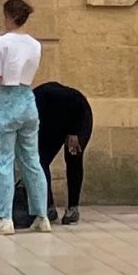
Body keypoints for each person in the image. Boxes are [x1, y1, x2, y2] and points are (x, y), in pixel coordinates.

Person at [0, 0, 51, 235]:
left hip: (8, 101)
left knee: (3, 161)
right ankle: (42, 214)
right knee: (32, 160)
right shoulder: (35, 44)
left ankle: (5, 217)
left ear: (8, 16)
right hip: (28, 99)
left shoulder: (2, 42)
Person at [36, 79, 95, 226]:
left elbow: (78, 104)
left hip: (79, 116)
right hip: (56, 122)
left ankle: (73, 208)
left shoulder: (44, 96)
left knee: (73, 156)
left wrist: (75, 132)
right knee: (41, 160)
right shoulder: (37, 107)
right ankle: (49, 207)